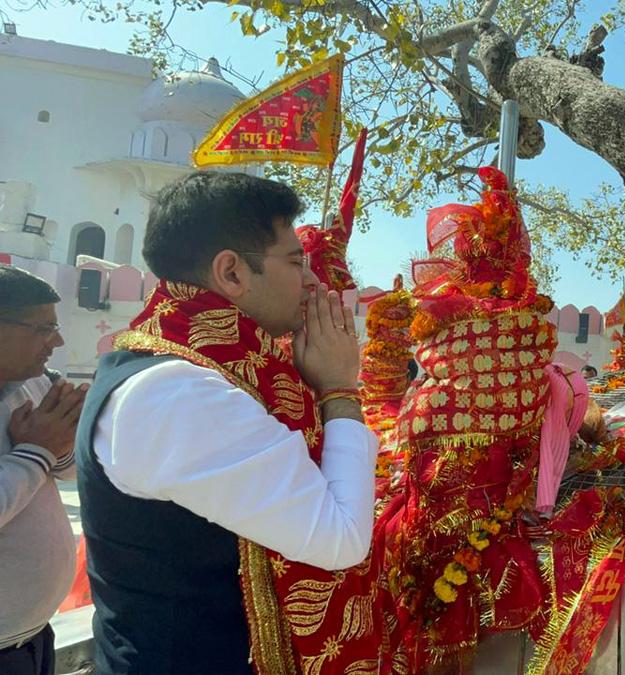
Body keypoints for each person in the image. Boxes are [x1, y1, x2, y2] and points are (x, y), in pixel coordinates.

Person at [75, 172, 378, 674]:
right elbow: (340, 539)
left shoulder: (200, 366)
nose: (312, 281)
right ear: (232, 273)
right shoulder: (176, 391)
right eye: (296, 261)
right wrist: (340, 390)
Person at [0, 265, 87, 675]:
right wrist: (37, 450)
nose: (58, 341)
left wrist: (62, 440)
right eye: (43, 328)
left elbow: (65, 471)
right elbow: (40, 459)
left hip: (32, 636)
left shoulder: (29, 384)